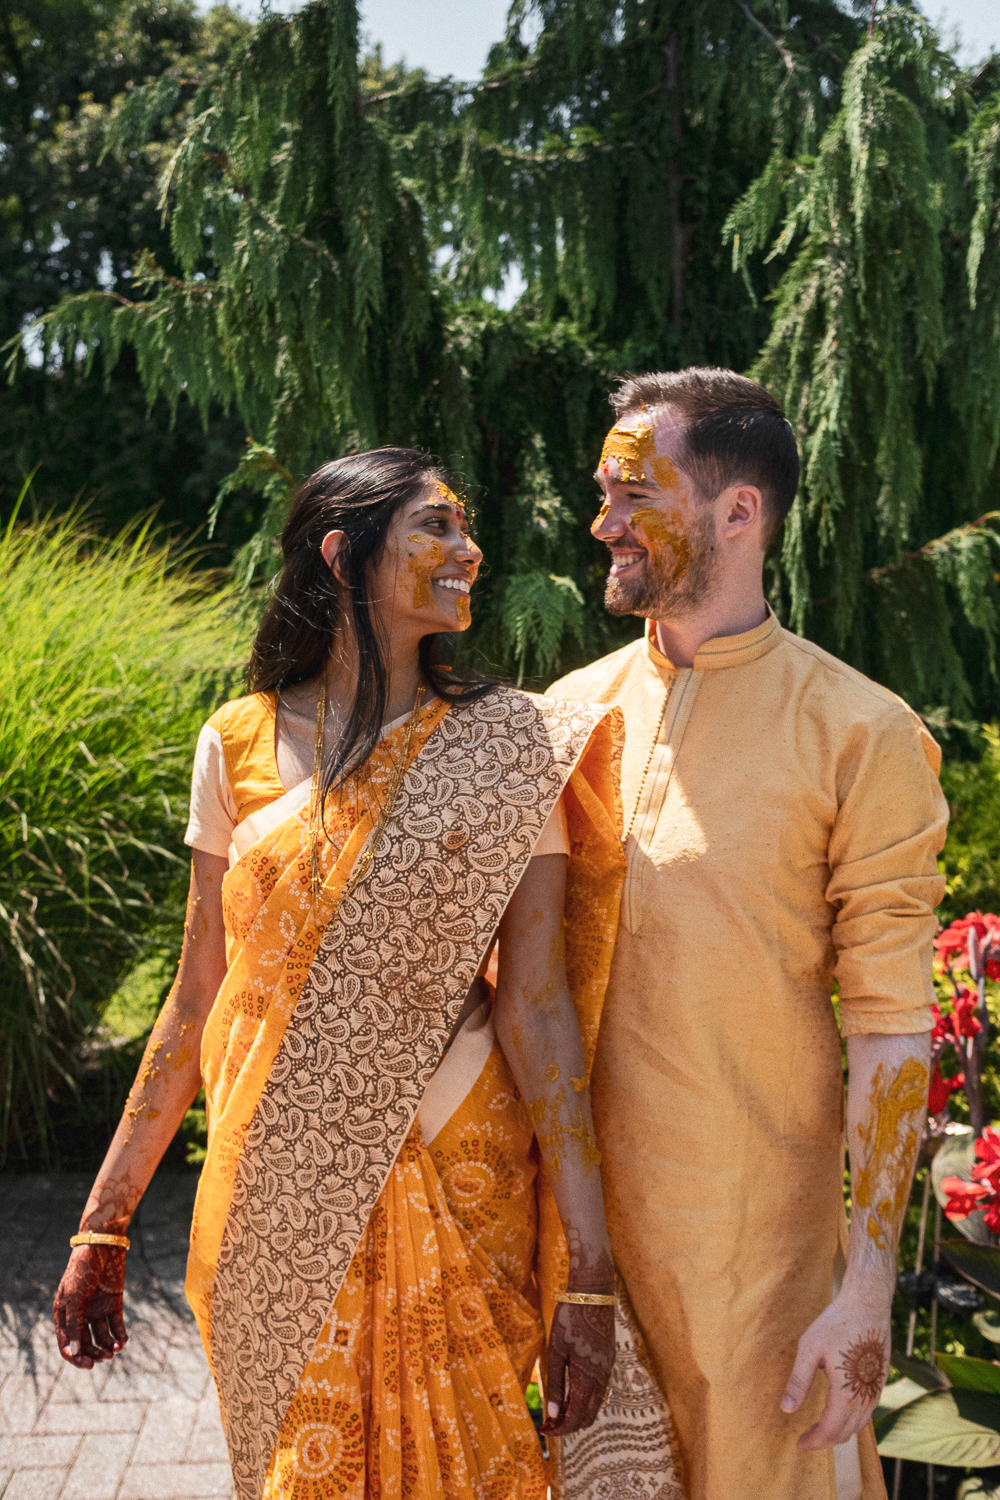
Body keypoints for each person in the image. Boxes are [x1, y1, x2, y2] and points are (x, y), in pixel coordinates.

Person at [52, 448, 627, 1500]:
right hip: (280, 1181)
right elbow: (198, 993)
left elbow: (539, 1004)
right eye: (437, 526)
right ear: (340, 551)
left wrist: (587, 1270)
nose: (469, 550)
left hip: (462, 1165)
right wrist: (105, 1216)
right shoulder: (237, 744)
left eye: (465, 528)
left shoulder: (510, 748)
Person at [547, 371, 948, 1500]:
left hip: (759, 1283)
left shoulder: (858, 734)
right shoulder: (562, 717)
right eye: (602, 494)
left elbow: (890, 1028)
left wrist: (865, 1286)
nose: (603, 523)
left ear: (738, 512)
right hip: (573, 1268)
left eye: (635, 495)